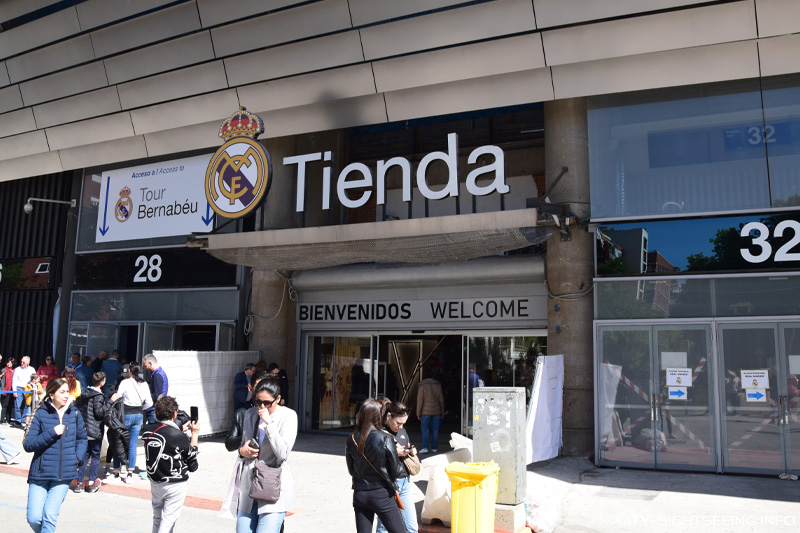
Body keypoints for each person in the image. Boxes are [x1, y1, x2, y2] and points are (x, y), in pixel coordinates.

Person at [221, 378, 298, 532]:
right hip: (249, 486)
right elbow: (245, 445)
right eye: (258, 402)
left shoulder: (288, 416)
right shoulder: (250, 414)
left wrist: (270, 424)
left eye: (267, 403)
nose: (262, 407)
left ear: (278, 399)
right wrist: (242, 452)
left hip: (273, 488)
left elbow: (283, 453)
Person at [23, 377, 88, 533]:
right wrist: (51, 433)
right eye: (62, 392)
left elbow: (82, 439)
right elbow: (28, 444)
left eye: (67, 392)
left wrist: (77, 459)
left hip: (63, 475)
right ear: (51, 394)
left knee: (49, 516)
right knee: (34, 518)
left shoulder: (75, 413)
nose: (66, 395)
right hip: (40, 474)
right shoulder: (40, 413)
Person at [345, 398, 406, 533]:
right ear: (378, 416)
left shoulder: (352, 439)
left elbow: (351, 470)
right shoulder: (385, 438)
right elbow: (396, 471)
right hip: (381, 494)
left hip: (360, 493)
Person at [142, 396, 199, 533]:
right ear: (174, 414)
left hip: (155, 482)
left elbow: (164, 433)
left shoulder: (147, 431)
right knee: (168, 521)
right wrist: (194, 434)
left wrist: (179, 431)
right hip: (175, 483)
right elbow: (192, 461)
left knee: (158, 518)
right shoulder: (177, 436)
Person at [376, 400, 418, 533]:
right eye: (398, 423)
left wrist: (411, 450)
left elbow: (406, 444)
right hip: (389, 484)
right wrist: (393, 453)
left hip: (405, 482)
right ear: (388, 416)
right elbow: (372, 457)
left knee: (411, 528)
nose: (400, 427)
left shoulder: (402, 432)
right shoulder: (378, 434)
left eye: (403, 424)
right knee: (384, 528)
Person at [111, 363, 153, 482]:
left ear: (129, 371)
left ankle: (117, 469)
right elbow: (149, 402)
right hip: (139, 414)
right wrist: (141, 408)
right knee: (133, 444)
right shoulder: (144, 383)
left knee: (119, 441)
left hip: (126, 414)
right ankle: (130, 473)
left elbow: (118, 397)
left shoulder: (125, 382)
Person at [74, 372, 110, 494]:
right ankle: (91, 482)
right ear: (103, 382)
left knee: (84, 455)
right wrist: (109, 404)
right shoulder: (98, 396)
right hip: (94, 429)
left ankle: (79, 483)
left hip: (84, 429)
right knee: (95, 456)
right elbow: (99, 413)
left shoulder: (84, 394)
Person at [225, 370, 269, 452]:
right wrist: (246, 438)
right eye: (258, 386)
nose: (262, 390)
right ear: (250, 388)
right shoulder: (243, 413)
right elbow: (229, 444)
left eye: (266, 386)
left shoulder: (282, 414)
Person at [416, 367, 445, 454]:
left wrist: (418, 413)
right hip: (436, 411)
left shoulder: (422, 386)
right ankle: (434, 448)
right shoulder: (438, 385)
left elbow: (420, 401)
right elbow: (441, 400)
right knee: (435, 430)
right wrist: (442, 412)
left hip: (425, 412)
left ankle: (425, 447)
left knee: (425, 430)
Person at [143, 353, 169, 424]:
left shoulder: (157, 375)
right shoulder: (159, 374)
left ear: (150, 363)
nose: (145, 369)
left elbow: (157, 396)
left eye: (145, 366)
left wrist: (144, 397)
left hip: (154, 411)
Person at [13, 356, 37, 427]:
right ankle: (17, 420)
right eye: (21, 361)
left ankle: (24, 419)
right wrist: (14, 391)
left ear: (28, 362)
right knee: (17, 404)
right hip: (19, 388)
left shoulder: (32, 369)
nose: (22, 363)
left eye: (24, 362)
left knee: (27, 404)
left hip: (28, 389)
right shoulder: (17, 369)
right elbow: (14, 380)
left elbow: (34, 380)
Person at [1, 357, 15, 425]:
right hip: (6, 389)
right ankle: (2, 419)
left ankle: (8, 418)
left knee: (10, 404)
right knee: (5, 405)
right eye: (8, 362)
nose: (9, 364)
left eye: (10, 362)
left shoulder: (15, 370)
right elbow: (3, 381)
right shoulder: (4, 370)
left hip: (12, 389)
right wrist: (3, 389)